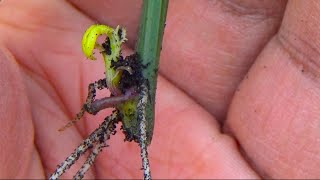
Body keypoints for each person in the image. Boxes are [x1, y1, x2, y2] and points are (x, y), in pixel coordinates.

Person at [0, 0, 319, 179]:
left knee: (109, 155)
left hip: (133, 115)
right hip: (126, 113)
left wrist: (95, 107)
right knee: (86, 156)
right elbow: (102, 95)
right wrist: (89, 109)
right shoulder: (117, 70)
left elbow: (113, 98)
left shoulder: (129, 78)